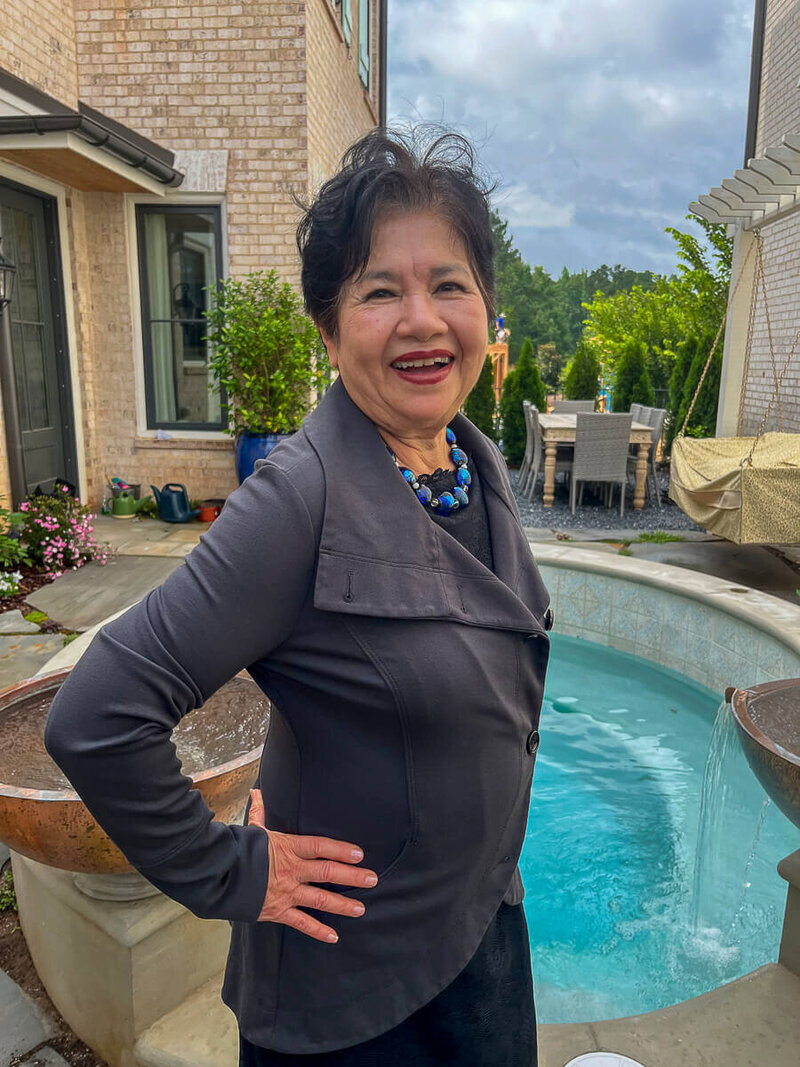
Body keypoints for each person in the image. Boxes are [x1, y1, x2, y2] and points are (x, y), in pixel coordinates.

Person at [45, 128, 553, 1066]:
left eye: (449, 284)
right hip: (353, 998)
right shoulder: (300, 497)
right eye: (378, 291)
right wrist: (233, 870)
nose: (422, 319)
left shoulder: (471, 461)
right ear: (328, 329)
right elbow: (97, 715)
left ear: (487, 308)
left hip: (479, 945)